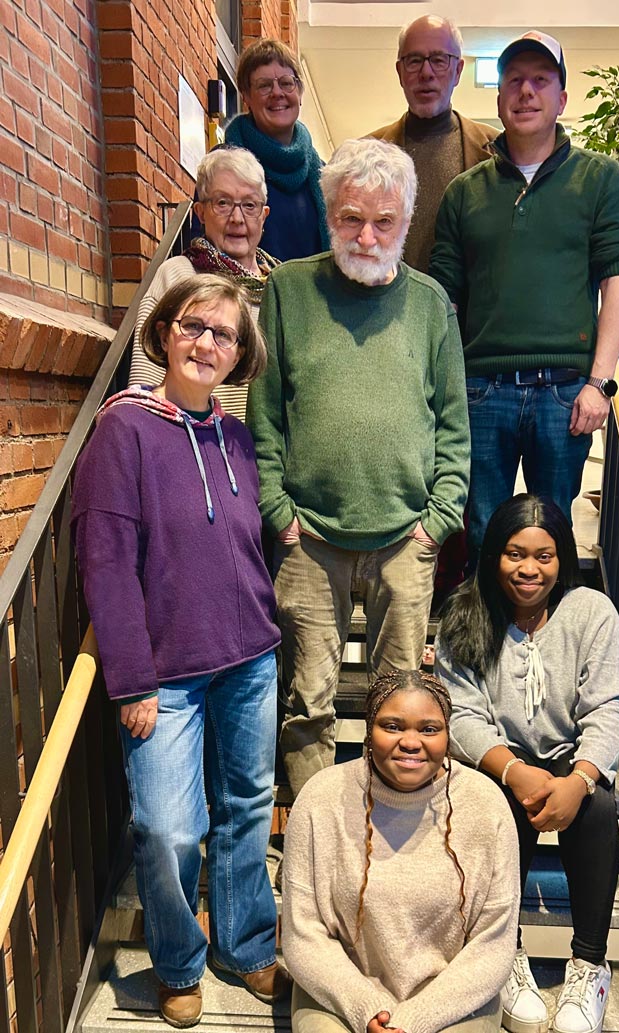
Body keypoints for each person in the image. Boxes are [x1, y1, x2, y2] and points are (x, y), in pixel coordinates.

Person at [72, 275, 290, 1029]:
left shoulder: (234, 436)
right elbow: (104, 561)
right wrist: (130, 680)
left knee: (247, 806)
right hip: (163, 675)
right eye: (194, 326)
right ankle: (176, 960)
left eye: (223, 334)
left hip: (250, 658)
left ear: (238, 354)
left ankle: (247, 941)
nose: (206, 343)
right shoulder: (123, 430)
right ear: (165, 331)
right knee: (169, 827)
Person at [246, 137, 470, 797]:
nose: (366, 236)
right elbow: (265, 415)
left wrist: (438, 519)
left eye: (384, 222)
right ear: (328, 211)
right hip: (310, 538)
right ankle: (316, 833)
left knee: (399, 706)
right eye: (351, 218)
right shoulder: (287, 290)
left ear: (406, 221)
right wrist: (279, 514)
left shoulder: (431, 304)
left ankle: (388, 827)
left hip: (407, 537)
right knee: (308, 702)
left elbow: (455, 424)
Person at [435, 495, 619, 1033]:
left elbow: (611, 706)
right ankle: (506, 953)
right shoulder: (465, 613)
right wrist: (514, 770)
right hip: (500, 766)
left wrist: (580, 779)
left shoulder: (590, 611)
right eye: (514, 554)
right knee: (501, 807)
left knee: (597, 812)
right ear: (494, 557)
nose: (529, 569)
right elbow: (459, 715)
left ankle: (589, 967)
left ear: (562, 557)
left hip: (575, 762)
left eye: (544, 556)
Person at [429, 31, 619, 565]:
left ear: (561, 99)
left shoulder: (599, 179)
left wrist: (599, 383)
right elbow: (445, 300)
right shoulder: (463, 193)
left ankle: (551, 645)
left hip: (565, 393)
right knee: (483, 533)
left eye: (540, 81)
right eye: (514, 81)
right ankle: (487, 646)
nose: (526, 92)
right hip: (480, 393)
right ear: (499, 100)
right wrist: (449, 388)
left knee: (554, 537)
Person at [281, 669, 520, 1033]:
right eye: (392, 726)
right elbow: (303, 935)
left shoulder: (487, 805)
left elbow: (493, 946)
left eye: (429, 729)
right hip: (341, 994)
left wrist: (414, 1020)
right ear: (368, 730)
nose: (411, 742)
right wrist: (366, 1008)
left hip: (453, 1001)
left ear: (447, 734)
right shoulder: (320, 798)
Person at [130, 147, 279, 420]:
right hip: (196, 442)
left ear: (264, 215)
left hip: (266, 455)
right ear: (200, 212)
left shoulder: (281, 286)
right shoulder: (177, 277)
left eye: (249, 205)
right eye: (222, 203)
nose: (237, 218)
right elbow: (145, 385)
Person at [368, 16, 497, 274]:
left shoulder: (497, 150)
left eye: (438, 60)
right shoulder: (368, 153)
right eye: (414, 61)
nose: (426, 73)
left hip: (471, 311)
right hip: (389, 309)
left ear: (458, 70)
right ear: (400, 72)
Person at [223, 38, 329, 260]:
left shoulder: (324, 176)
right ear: (246, 97)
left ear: (299, 92)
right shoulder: (223, 166)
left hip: (307, 294)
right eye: (264, 85)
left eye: (286, 83)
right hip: (243, 292)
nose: (277, 93)